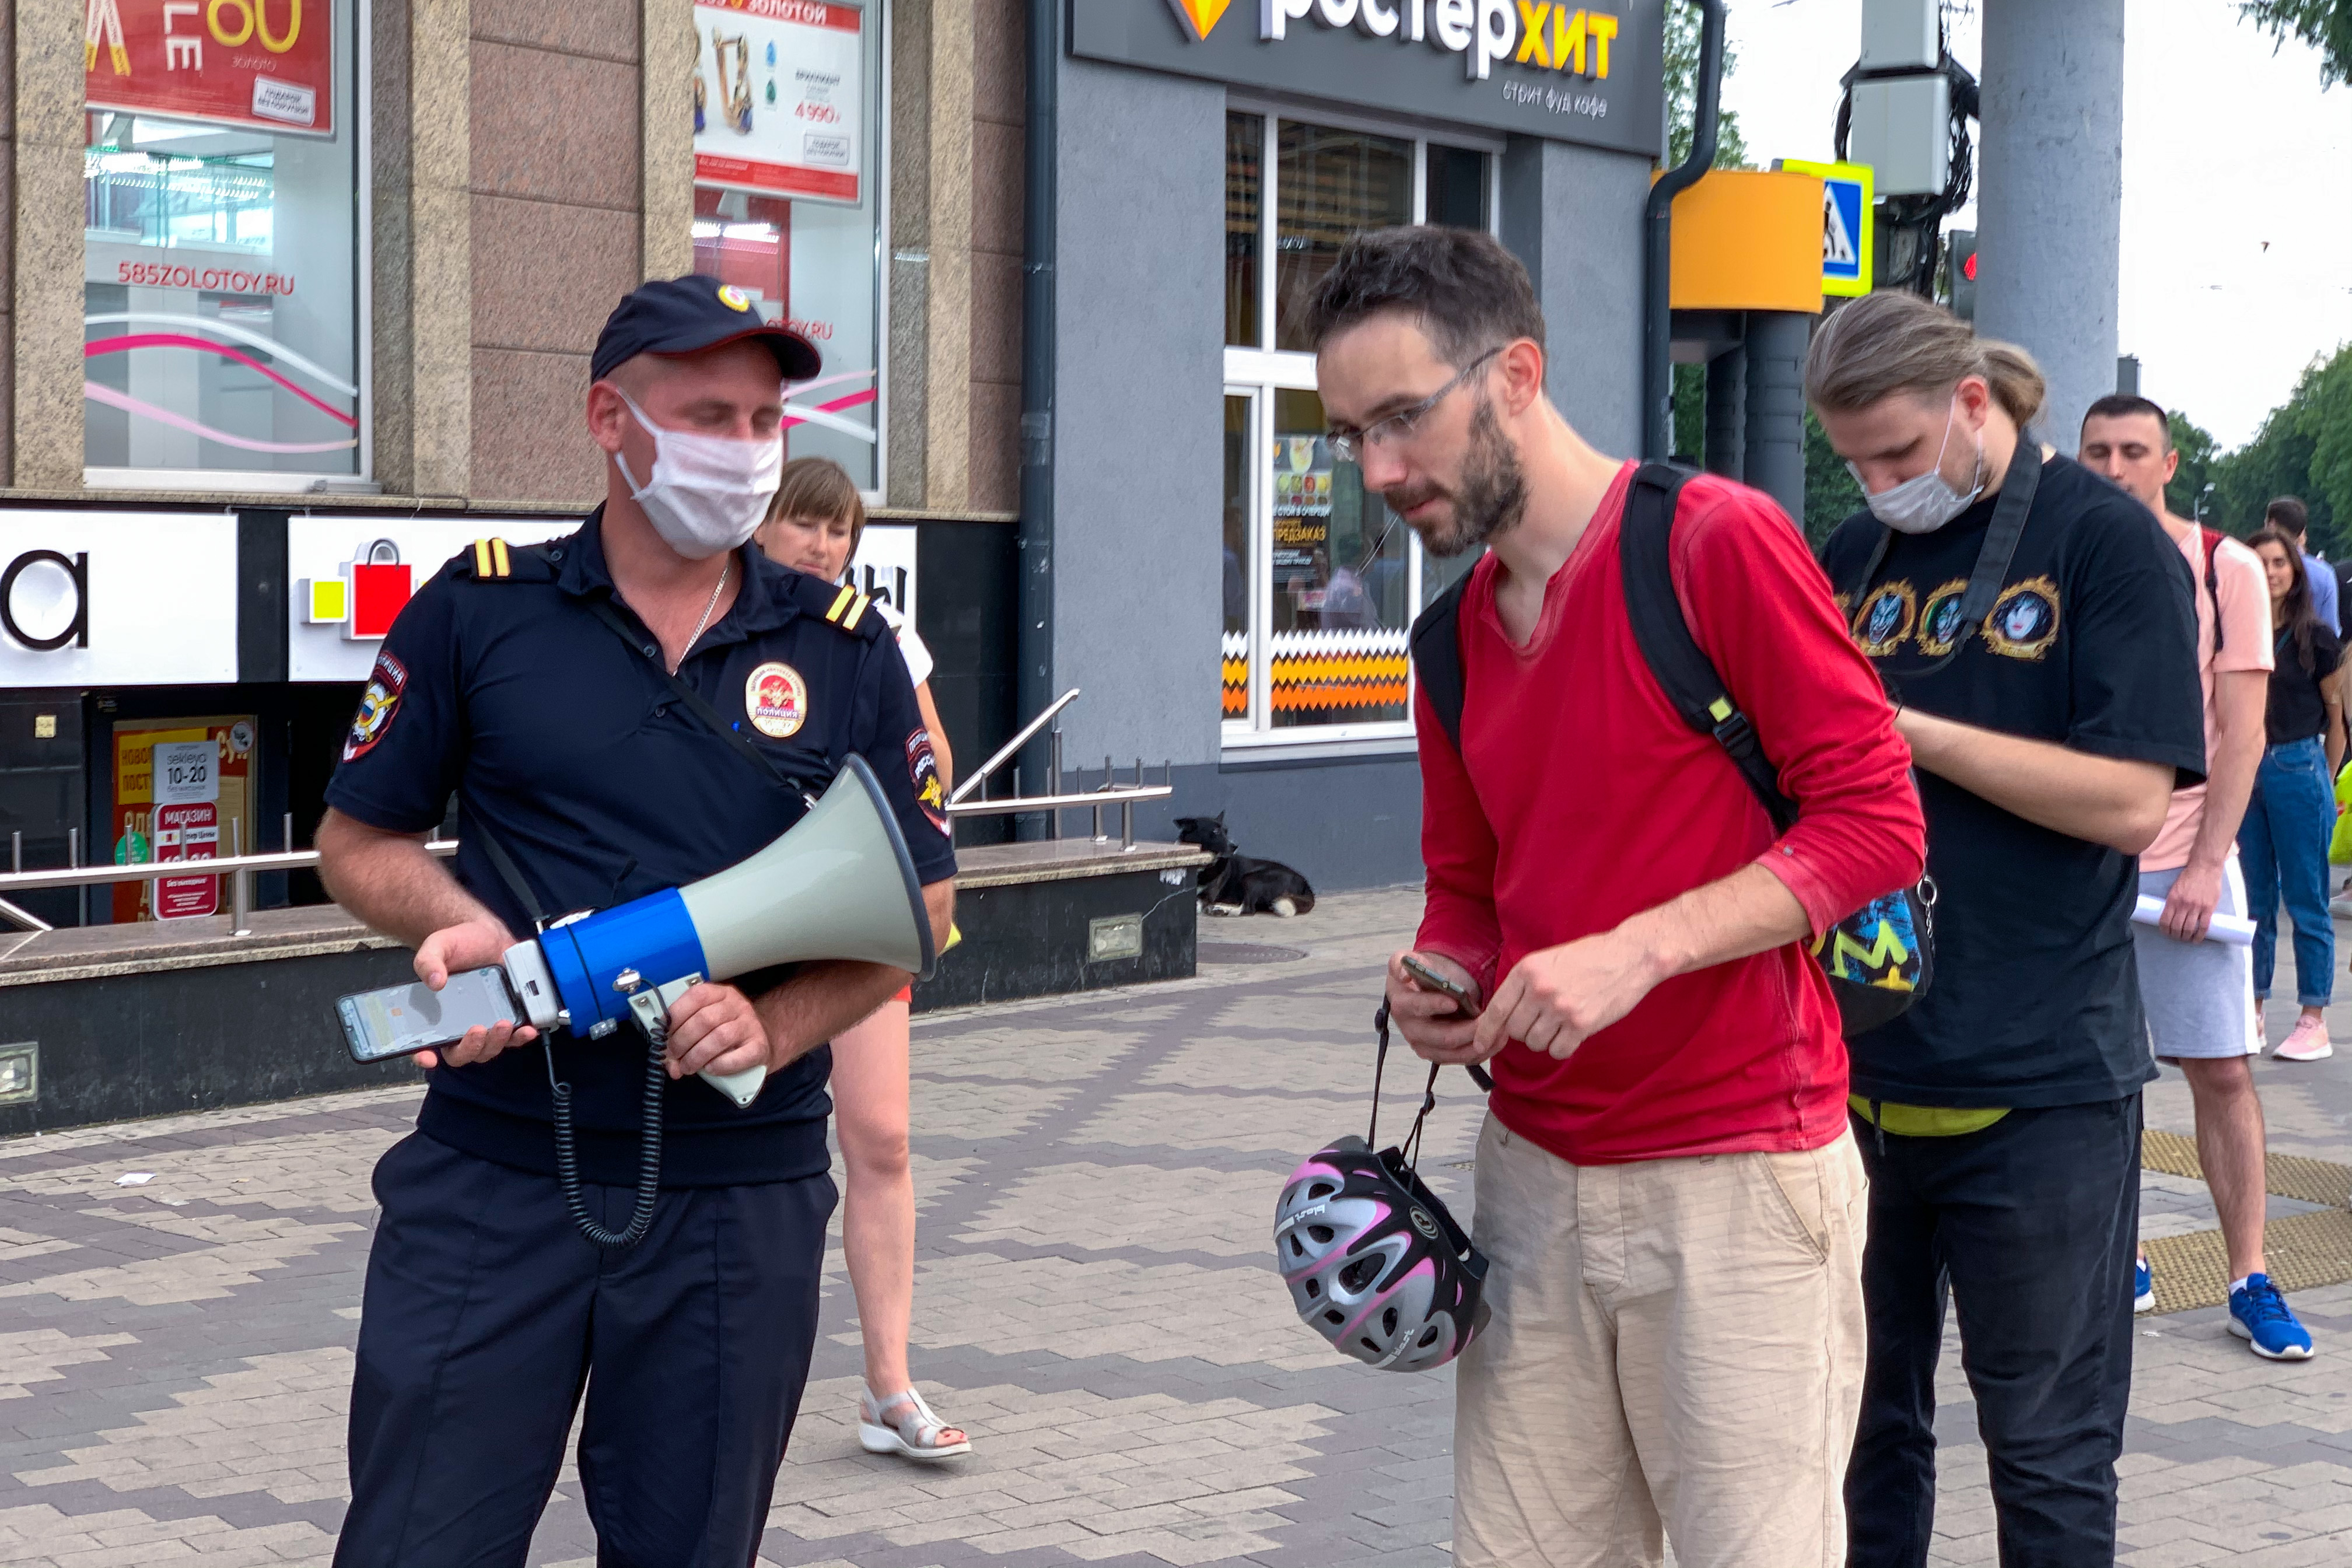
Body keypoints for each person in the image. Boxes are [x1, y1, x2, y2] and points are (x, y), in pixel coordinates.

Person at [316, 275, 959, 1565]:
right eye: (708, 412)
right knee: (415, 1542)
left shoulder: (844, 645)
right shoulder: (479, 608)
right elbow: (355, 841)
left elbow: (925, 911)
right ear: (611, 418)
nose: (747, 447)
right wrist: (462, 928)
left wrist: (773, 1024)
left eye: (766, 417)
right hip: (493, 1174)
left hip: (736, 1198)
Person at [1321, 227, 1927, 1567]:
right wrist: (1442, 976)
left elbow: (1878, 823)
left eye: (1405, 419)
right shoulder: (1451, 637)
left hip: (1741, 1181)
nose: (1378, 471)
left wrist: (1641, 950)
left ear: (1518, 374)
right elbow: (1470, 889)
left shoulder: (1714, 545)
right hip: (1532, 1184)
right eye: (1354, 433)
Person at [1810, 292, 2204, 1568]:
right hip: (1854, 1085)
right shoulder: (1849, 561)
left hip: (2042, 1097)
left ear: (1973, 403)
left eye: (1898, 455)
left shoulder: (2105, 548)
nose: (1878, 486)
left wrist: (1907, 733)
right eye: (1854, 462)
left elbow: (2135, 803)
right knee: (1861, 1439)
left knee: (2046, 1462)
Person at [2080, 397, 2314, 1361]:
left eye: (2132, 451)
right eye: (2095, 451)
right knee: (2098, 1076)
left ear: (2167, 461)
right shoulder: (2065, 560)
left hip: (2184, 860)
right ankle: (2120, 1257)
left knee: (2218, 1069)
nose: (2113, 467)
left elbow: (2244, 728)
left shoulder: (2222, 566)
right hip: (2083, 863)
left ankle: (2248, 1274)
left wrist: (2209, 862)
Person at [754, 456, 970, 1461]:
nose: (822, 544)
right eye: (804, 522)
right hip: (740, 926)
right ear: (762, 524)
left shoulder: (880, 636)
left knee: (880, 1140)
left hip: (853, 917)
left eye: (839, 530)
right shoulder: (721, 622)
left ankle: (888, 1384)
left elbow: (932, 768)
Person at [2240, 525, 2344, 1065]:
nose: (2270, 571)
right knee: (2253, 901)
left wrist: (2325, 781)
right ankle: (2253, 1008)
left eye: (2278, 562)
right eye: (2258, 562)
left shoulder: (2317, 637)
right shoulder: (2236, 630)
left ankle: (2313, 1019)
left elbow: (2337, 716)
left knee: (2306, 899)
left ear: (2295, 570)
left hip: (2297, 764)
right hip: (2246, 770)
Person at [2267, 496, 2338, 635]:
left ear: (2271, 525)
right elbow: (2331, 630)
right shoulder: (2324, 574)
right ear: (2301, 532)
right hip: (2310, 651)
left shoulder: (2256, 568)